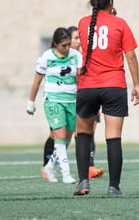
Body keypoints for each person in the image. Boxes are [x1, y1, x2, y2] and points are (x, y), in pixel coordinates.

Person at [73, 0, 139, 196]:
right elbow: (130, 56)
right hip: (114, 85)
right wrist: (137, 84)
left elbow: (93, 38)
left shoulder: (83, 23)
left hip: (88, 86)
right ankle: (113, 187)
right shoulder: (120, 23)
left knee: (83, 134)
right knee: (113, 137)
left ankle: (83, 182)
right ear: (111, 3)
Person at [41, 26, 105, 180]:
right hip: (64, 100)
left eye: (78, 38)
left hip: (84, 100)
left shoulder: (82, 56)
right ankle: (55, 168)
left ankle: (87, 166)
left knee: (86, 133)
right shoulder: (68, 57)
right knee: (60, 135)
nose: (77, 42)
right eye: (75, 38)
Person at [27, 27, 82, 184]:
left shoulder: (76, 56)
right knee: (60, 135)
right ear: (55, 44)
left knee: (67, 138)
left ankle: (49, 166)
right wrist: (31, 102)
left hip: (72, 101)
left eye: (68, 45)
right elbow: (36, 82)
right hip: (53, 100)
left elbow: (81, 78)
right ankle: (66, 174)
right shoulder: (46, 58)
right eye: (63, 46)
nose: (66, 49)